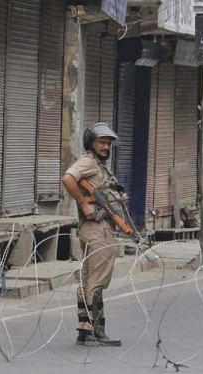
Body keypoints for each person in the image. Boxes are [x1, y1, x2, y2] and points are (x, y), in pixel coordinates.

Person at [62, 122, 124, 347]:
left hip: (103, 226)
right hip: (95, 229)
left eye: (108, 143)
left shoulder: (100, 165)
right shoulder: (87, 162)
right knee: (97, 279)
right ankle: (93, 330)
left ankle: (87, 328)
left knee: (90, 278)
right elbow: (68, 178)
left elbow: (103, 192)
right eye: (102, 142)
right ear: (91, 143)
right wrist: (82, 203)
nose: (106, 146)